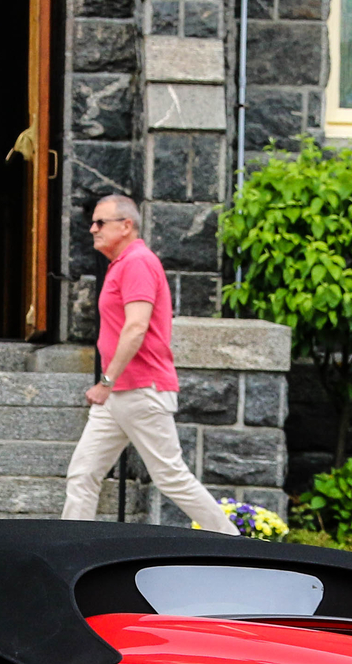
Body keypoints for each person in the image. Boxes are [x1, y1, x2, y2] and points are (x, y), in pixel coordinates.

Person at [60, 195, 239, 534]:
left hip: (140, 388)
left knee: (170, 477)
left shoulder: (137, 262)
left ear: (126, 226)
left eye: (100, 223)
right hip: (120, 392)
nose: (92, 229)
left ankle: (235, 542)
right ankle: (73, 547)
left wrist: (107, 380)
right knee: (84, 473)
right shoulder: (123, 263)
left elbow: (136, 326)